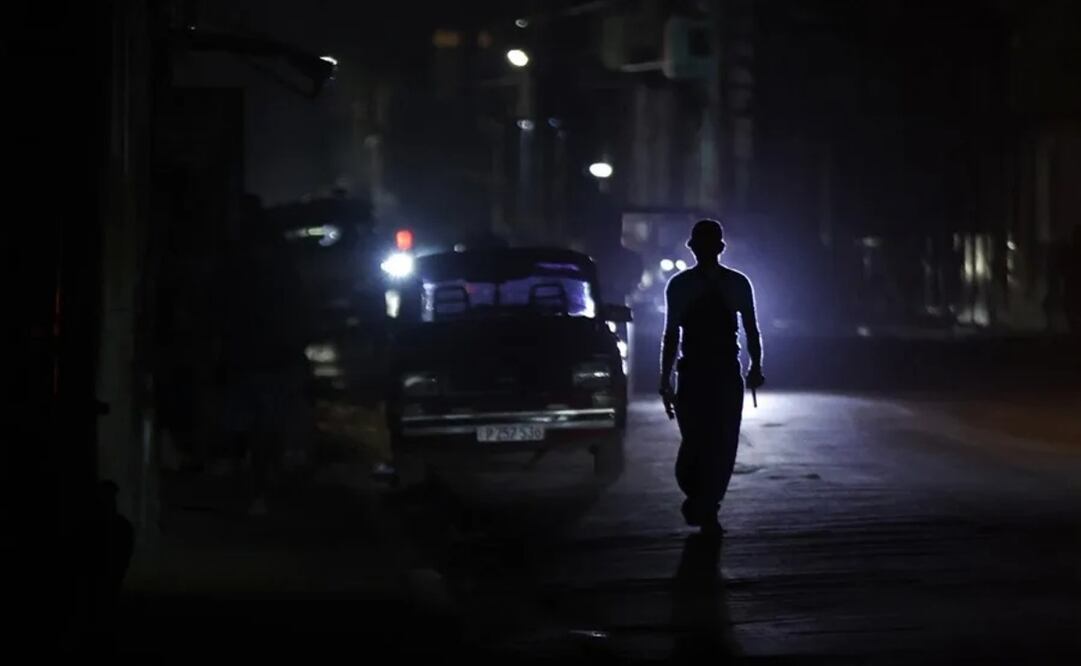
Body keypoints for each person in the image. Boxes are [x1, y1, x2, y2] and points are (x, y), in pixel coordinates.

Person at [659, 219, 764, 533]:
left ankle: (707, 504)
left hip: (717, 372)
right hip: (698, 372)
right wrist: (665, 379)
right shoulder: (689, 285)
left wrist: (756, 366)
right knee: (700, 441)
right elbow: (671, 335)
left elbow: (751, 330)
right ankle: (702, 500)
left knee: (720, 441)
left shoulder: (725, 284)